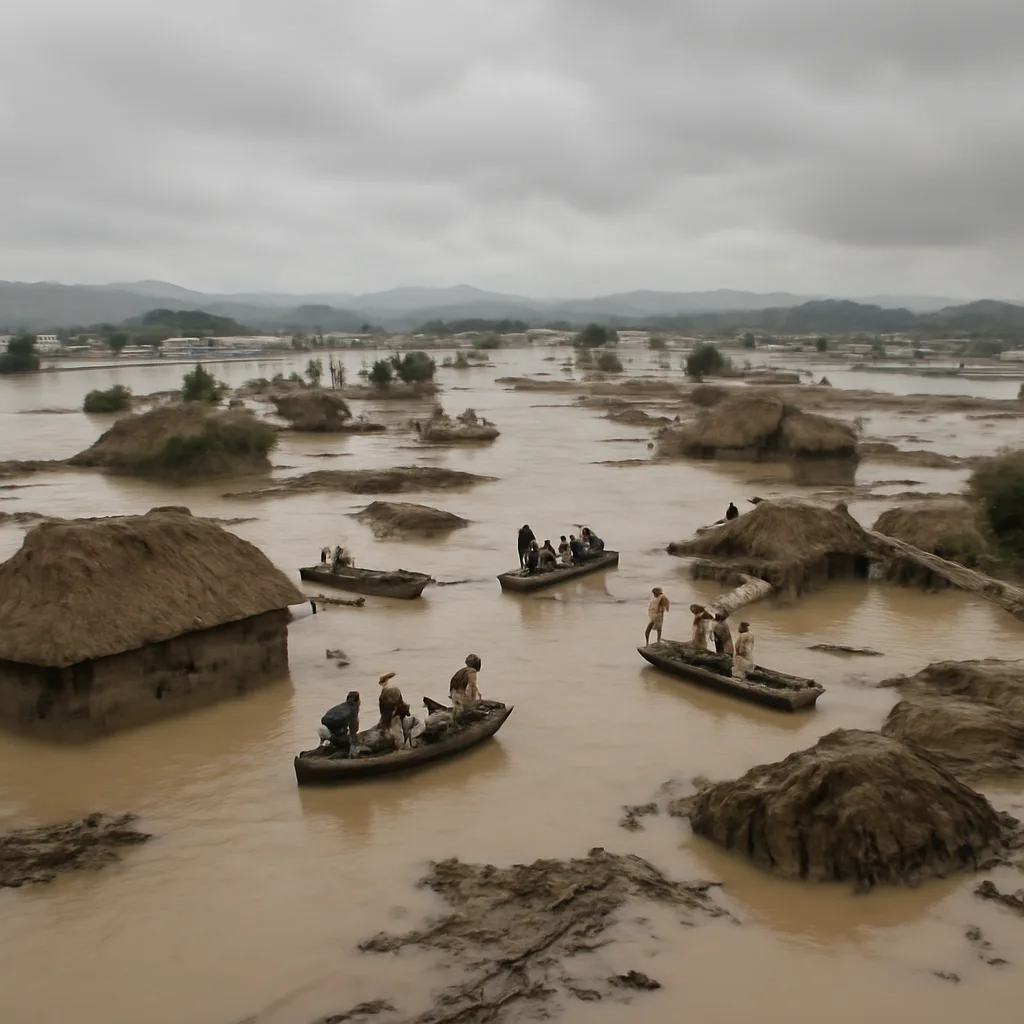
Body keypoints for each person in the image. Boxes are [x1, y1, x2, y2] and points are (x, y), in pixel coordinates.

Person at [318, 691, 361, 757]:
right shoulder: (353, 709)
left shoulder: (342, 705)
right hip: (331, 733)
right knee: (347, 743)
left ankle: (324, 747)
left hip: (322, 728)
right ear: (358, 701)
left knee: (343, 732)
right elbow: (353, 730)